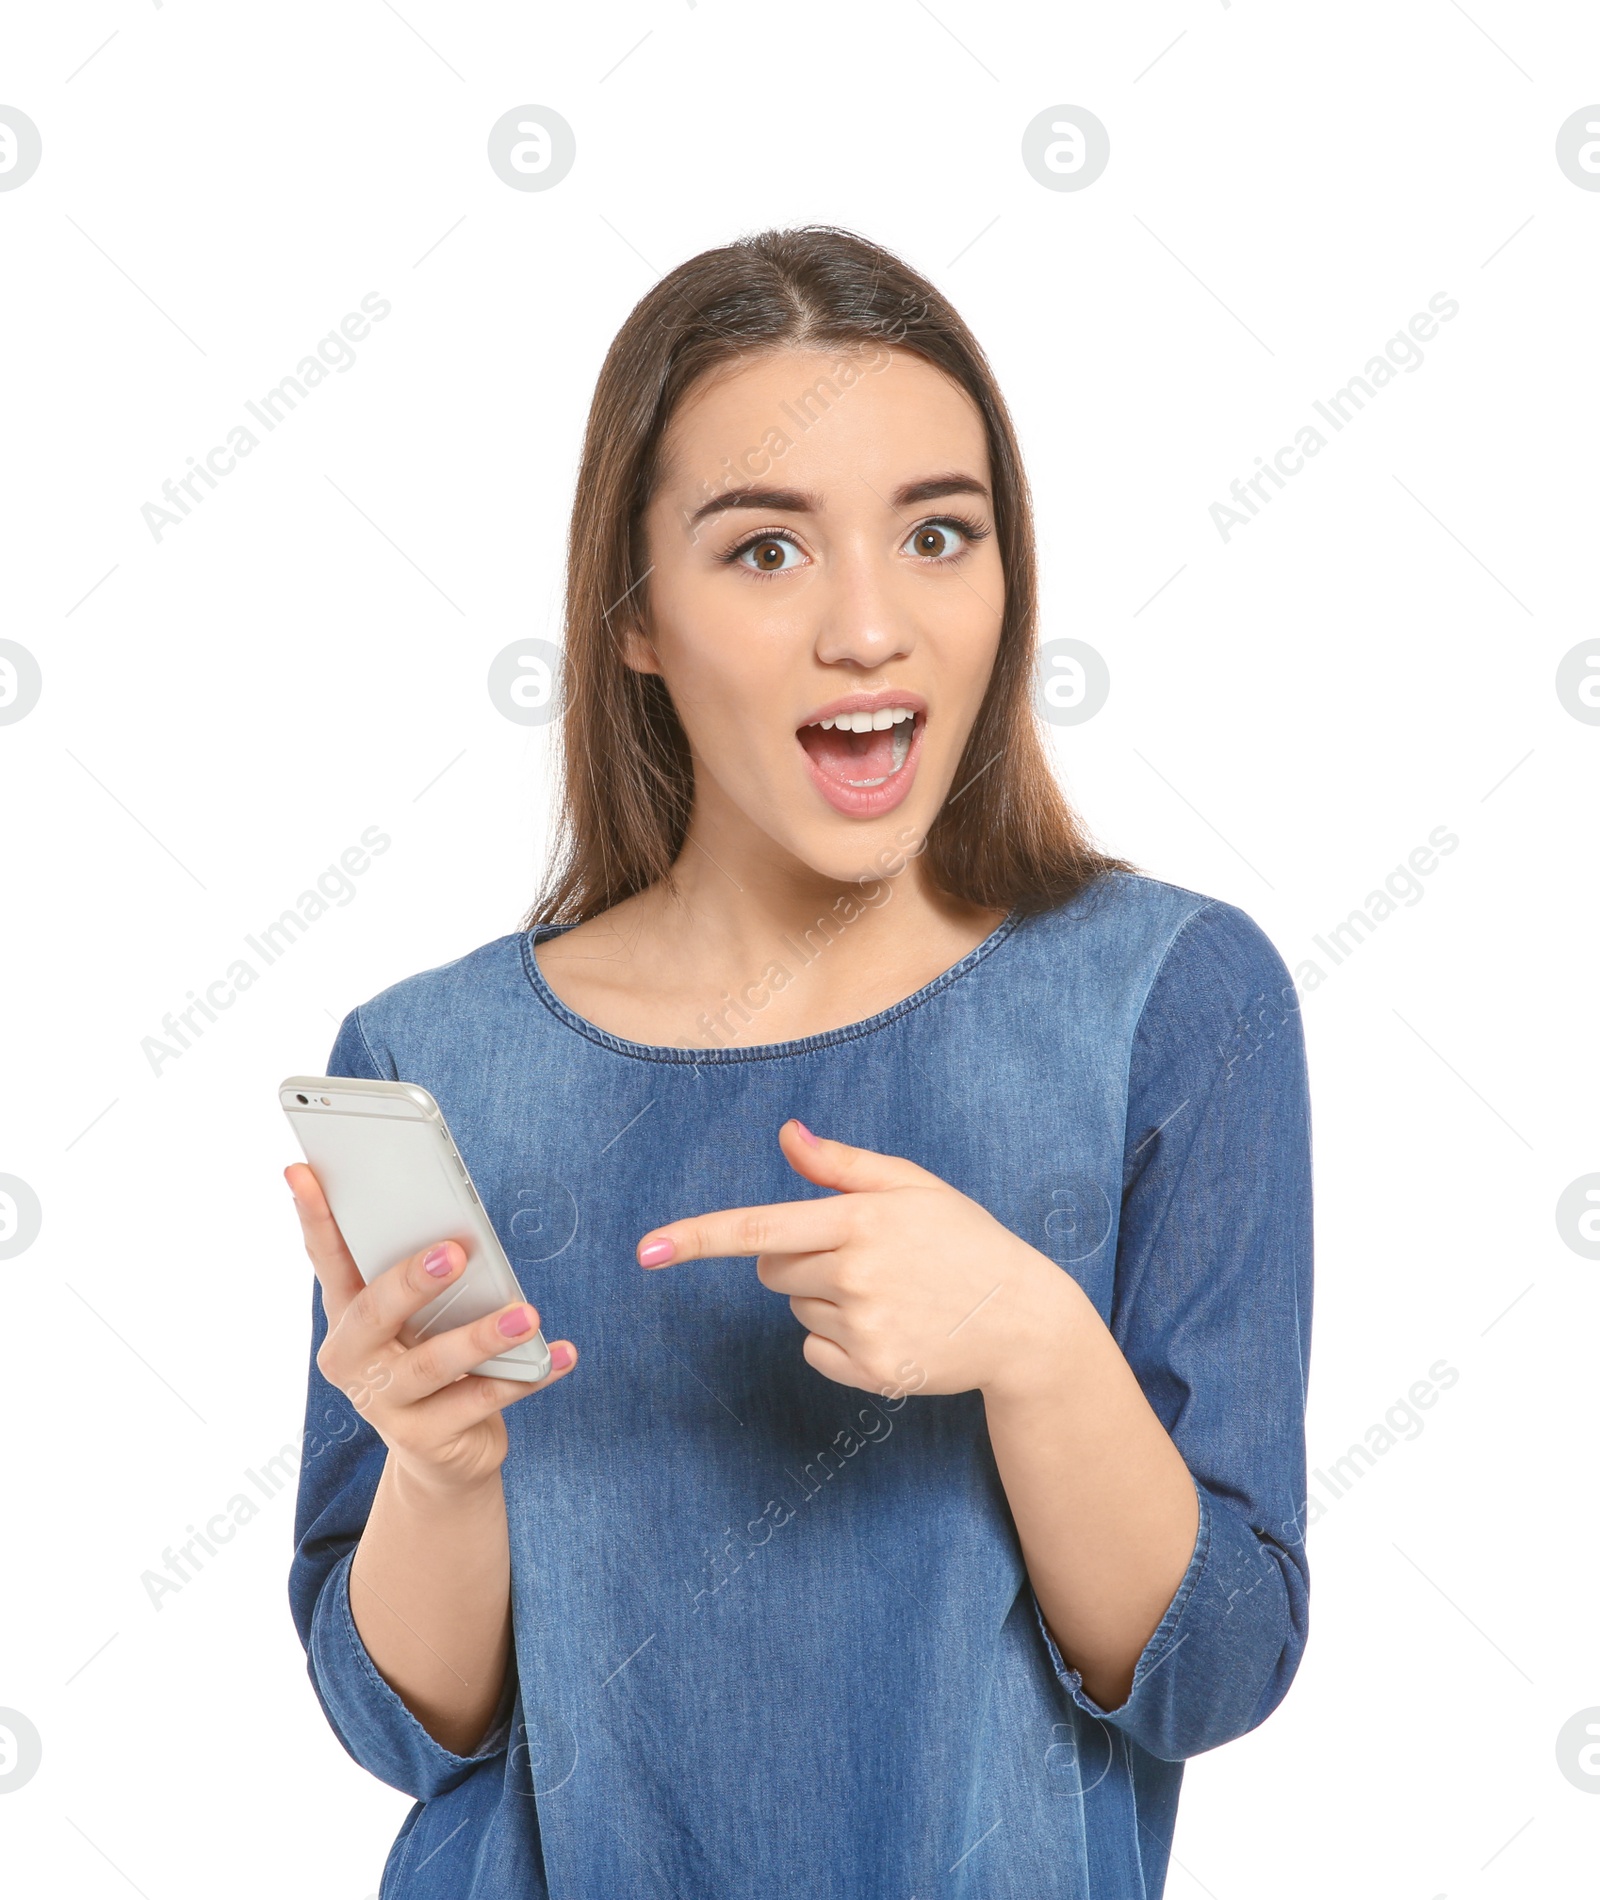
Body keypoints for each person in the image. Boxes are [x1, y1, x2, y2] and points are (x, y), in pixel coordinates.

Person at [287, 226, 1312, 1900]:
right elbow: (412, 1732)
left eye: (937, 533)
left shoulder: (1173, 1003)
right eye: (765, 551)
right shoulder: (429, 1058)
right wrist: (441, 1469)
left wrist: (1035, 1344)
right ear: (633, 616)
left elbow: (1213, 1670)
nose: (869, 628)